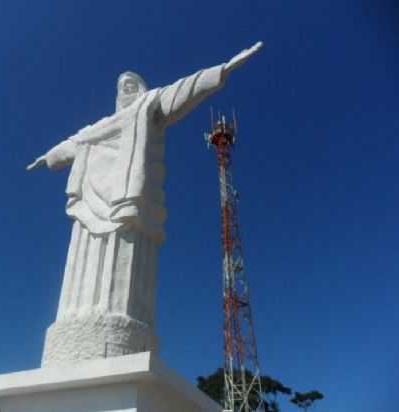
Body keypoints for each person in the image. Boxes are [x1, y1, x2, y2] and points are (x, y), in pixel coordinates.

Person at [28, 42, 263, 366]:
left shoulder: (150, 105)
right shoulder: (97, 128)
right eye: (120, 86)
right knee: (84, 257)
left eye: (130, 84)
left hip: (126, 198)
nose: (125, 89)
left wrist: (221, 70)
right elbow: (73, 143)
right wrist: (47, 157)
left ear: (140, 89)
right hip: (92, 199)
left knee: (127, 250)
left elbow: (183, 91)